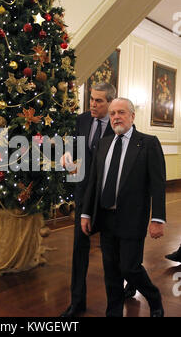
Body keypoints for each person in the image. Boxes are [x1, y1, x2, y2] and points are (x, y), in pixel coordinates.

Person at [81, 98, 166, 317]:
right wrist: (86, 213)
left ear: (132, 116)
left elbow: (158, 184)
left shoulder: (147, 143)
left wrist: (157, 218)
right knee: (111, 271)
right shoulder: (104, 143)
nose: (116, 117)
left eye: (121, 112)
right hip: (106, 217)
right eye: (112, 114)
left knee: (130, 267)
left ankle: (153, 296)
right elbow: (94, 181)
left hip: (132, 218)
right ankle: (114, 312)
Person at [60, 83, 136, 318]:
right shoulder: (82, 120)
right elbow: (74, 147)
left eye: (99, 101)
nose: (93, 104)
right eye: (91, 99)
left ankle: (129, 284)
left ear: (111, 102)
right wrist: (68, 155)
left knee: (114, 253)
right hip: (85, 195)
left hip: (110, 200)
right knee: (79, 250)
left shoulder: (120, 124)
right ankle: (77, 302)